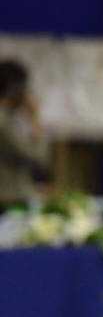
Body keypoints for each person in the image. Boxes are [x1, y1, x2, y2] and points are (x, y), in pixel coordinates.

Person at [0, 59, 49, 211]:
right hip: (8, 201)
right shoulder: (3, 122)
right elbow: (38, 159)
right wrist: (35, 118)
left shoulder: (8, 119)